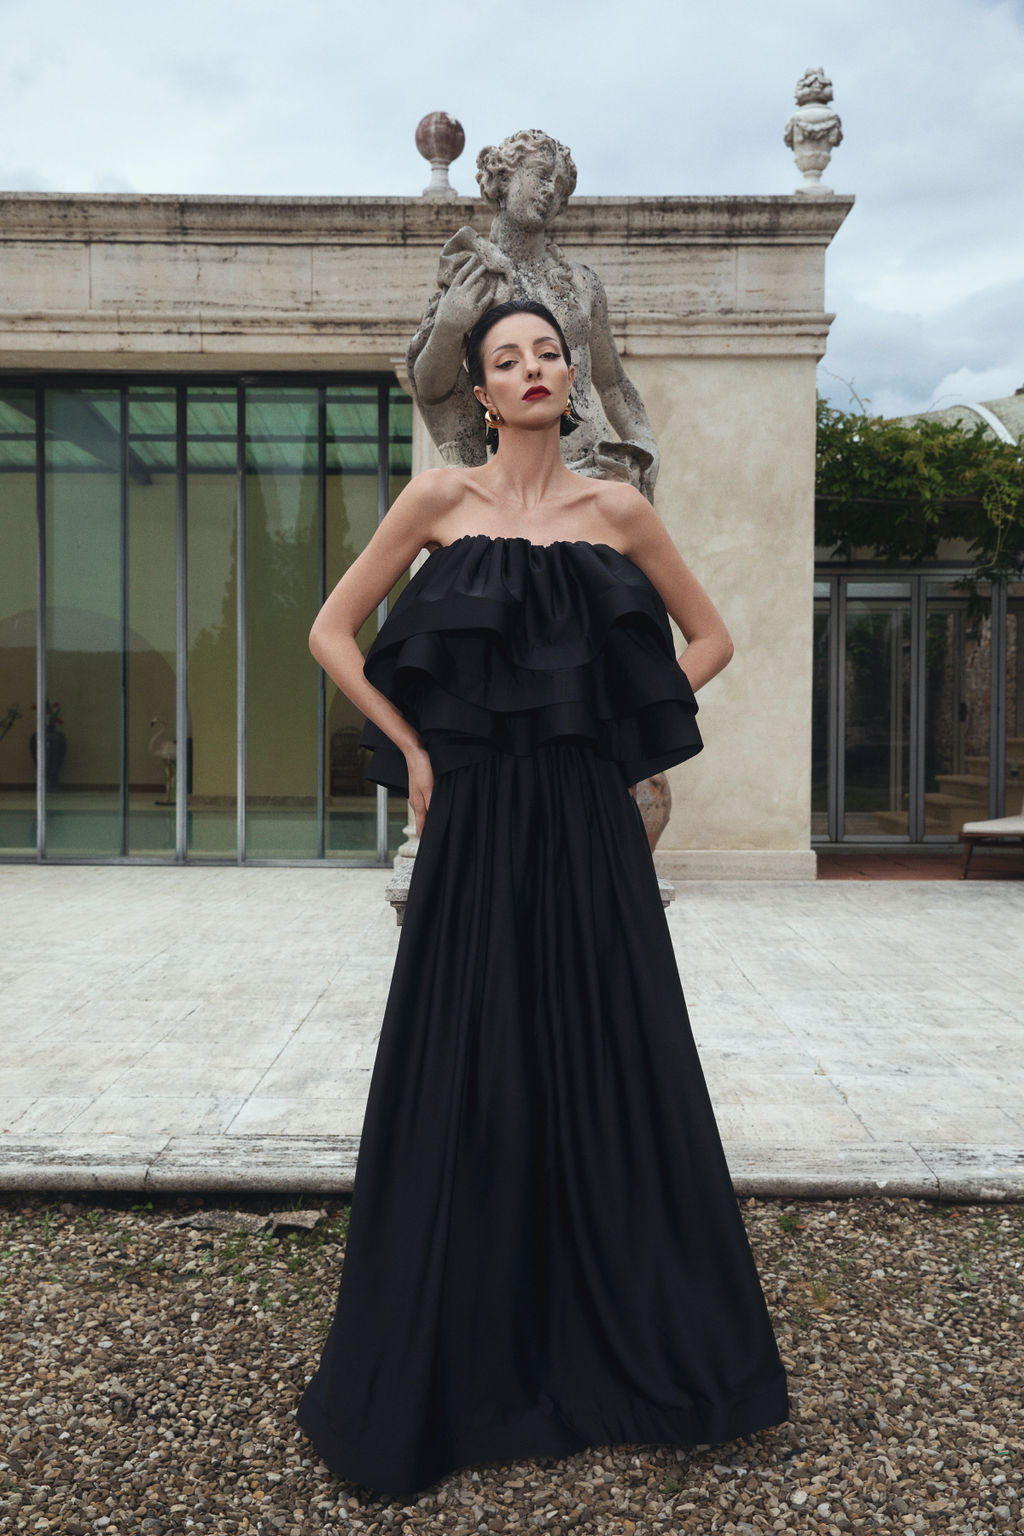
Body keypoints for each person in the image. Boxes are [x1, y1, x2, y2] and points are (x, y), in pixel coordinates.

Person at [296, 300, 789, 1500]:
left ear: (571, 380)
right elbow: (328, 634)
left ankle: (635, 1348)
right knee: (470, 1057)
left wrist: (617, 739)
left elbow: (712, 640)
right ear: (478, 387)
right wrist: (416, 755)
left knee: (612, 1053)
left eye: (547, 355)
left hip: (586, 818)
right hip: (469, 814)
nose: (530, 371)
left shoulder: (615, 511)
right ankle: (465, 1349)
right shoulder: (435, 503)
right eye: (506, 359)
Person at [408, 128, 660, 502]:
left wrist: (644, 443)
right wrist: (448, 326)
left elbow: (611, 383)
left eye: (559, 184)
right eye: (541, 175)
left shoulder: (582, 283)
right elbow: (431, 386)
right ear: (503, 179)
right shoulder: (474, 276)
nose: (550, 190)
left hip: (598, 470)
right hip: (514, 482)